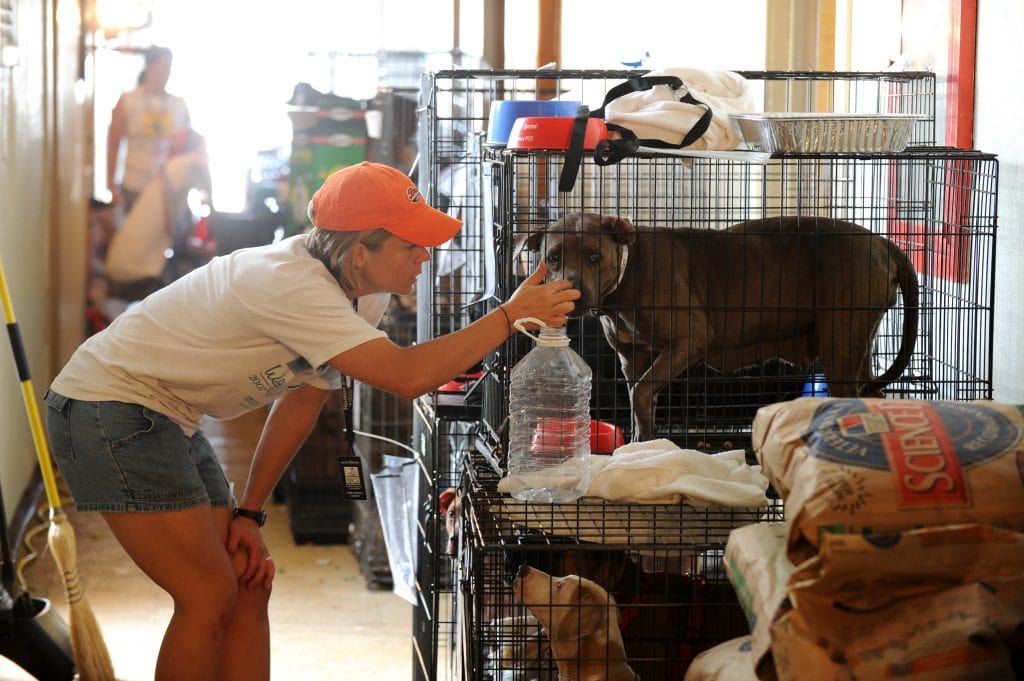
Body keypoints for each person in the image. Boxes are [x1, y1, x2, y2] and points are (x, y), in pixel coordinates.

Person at [43, 161, 579, 681]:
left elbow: (302, 398)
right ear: (360, 251)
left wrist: (249, 515)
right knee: (206, 594)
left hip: (169, 413)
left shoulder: (363, 294)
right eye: (409, 244)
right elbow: (406, 375)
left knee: (248, 582)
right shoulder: (292, 284)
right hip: (108, 406)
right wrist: (509, 316)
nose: (426, 255)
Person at [105, 128, 214, 304]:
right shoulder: (184, 163)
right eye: (204, 150)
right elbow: (201, 163)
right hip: (135, 274)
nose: (206, 155)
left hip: (120, 269)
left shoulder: (171, 171)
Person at [107, 45, 191, 212]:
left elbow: (187, 145)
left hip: (167, 186)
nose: (167, 71)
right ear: (149, 67)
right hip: (134, 185)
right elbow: (114, 144)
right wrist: (111, 185)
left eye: (170, 66)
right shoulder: (128, 100)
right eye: (164, 65)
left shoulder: (179, 104)